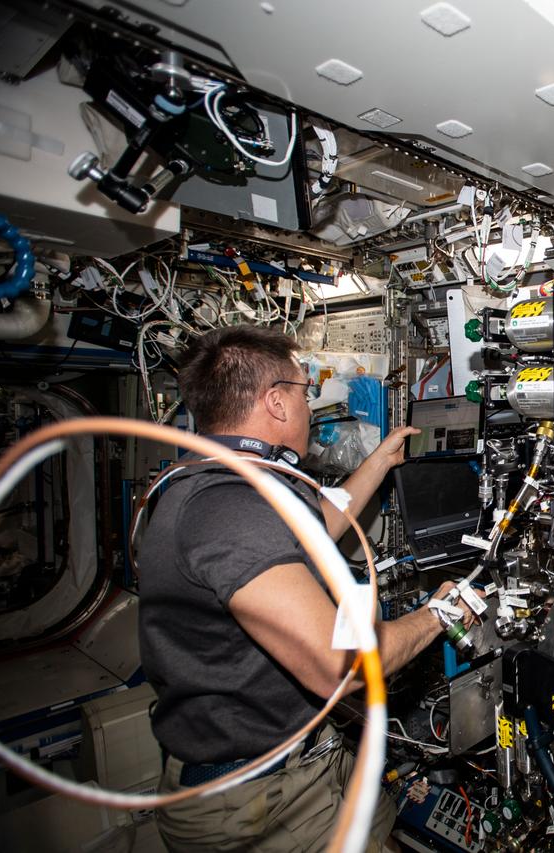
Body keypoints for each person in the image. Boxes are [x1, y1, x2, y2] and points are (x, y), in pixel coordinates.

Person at [137, 325, 468, 852]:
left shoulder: (221, 480)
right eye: (303, 391)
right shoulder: (228, 509)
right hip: (256, 801)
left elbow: (319, 524)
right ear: (275, 402)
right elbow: (344, 667)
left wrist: (381, 460)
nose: (310, 407)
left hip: (303, 761)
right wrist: (441, 612)